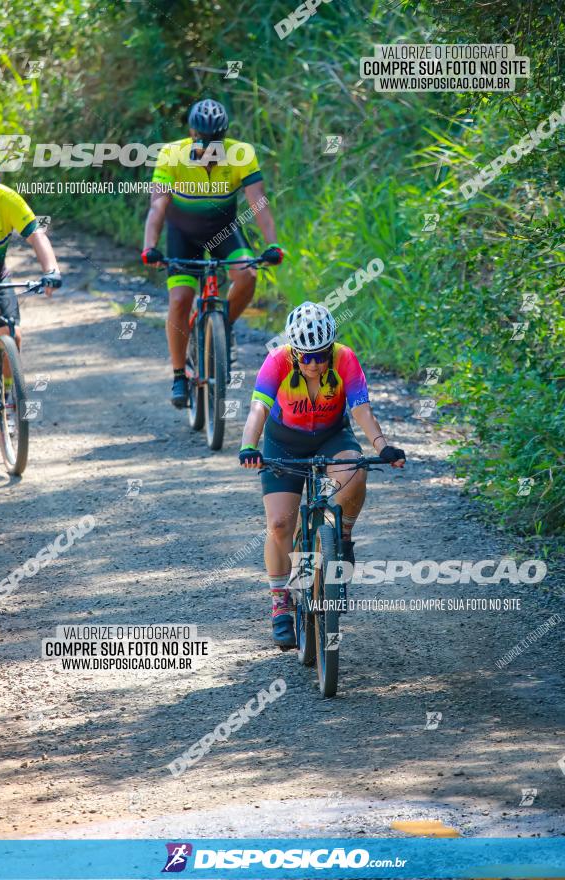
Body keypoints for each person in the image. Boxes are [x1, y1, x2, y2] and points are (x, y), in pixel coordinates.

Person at [238, 302, 405, 649]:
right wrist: (248, 446)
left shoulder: (345, 359)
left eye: (321, 355)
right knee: (281, 524)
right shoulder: (277, 361)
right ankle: (281, 601)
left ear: (331, 348)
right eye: (306, 357)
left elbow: (360, 408)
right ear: (294, 353)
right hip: (284, 442)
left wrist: (383, 446)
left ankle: (341, 539)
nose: (314, 364)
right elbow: (259, 407)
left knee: (356, 472)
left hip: (332, 436)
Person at [142, 98, 283, 408]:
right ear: (192, 133)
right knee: (179, 299)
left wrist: (272, 244)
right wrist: (149, 246)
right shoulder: (171, 154)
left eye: (215, 139)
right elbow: (158, 205)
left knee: (247, 273)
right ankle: (179, 374)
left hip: (224, 231)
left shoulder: (241, 153)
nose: (209, 146)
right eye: (202, 139)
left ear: (224, 134)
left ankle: (221, 326)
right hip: (183, 235)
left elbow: (258, 201)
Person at [0, 155, 62, 384]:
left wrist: (51, 270)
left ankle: (6, 398)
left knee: (12, 336)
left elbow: (36, 235)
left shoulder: (5, 198)